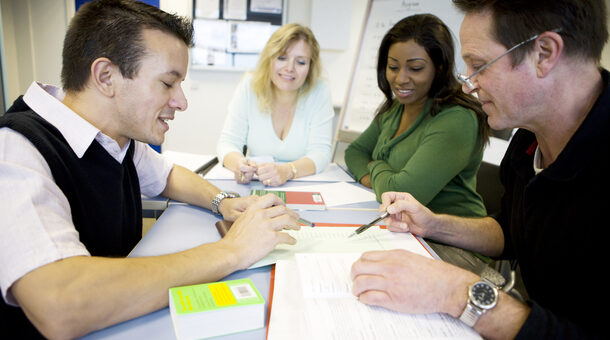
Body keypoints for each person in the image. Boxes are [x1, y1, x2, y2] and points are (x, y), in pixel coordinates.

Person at [0, 1, 299, 338]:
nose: (181, 102)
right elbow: (59, 303)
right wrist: (232, 251)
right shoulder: (14, 152)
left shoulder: (115, 139)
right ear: (106, 76)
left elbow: (167, 175)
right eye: (168, 83)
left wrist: (224, 203)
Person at [350, 0, 609, 338]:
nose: (469, 84)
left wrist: (457, 292)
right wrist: (434, 224)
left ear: (544, 53)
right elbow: (510, 234)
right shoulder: (527, 141)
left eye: (480, 65)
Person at [344, 14, 489, 218]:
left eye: (415, 68)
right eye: (393, 67)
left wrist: (374, 166)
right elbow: (354, 152)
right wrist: (384, 180)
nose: (400, 79)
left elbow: (406, 194)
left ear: (439, 68)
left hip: (448, 242)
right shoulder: (396, 107)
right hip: (401, 227)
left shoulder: (457, 118)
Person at [216, 23, 334, 187]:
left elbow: (321, 153)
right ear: (269, 58)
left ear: (311, 66)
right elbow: (228, 143)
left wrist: (287, 171)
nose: (289, 68)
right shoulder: (250, 86)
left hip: (302, 184)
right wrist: (238, 164)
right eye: (282, 58)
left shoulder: (319, 90)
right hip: (256, 184)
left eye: (300, 62)